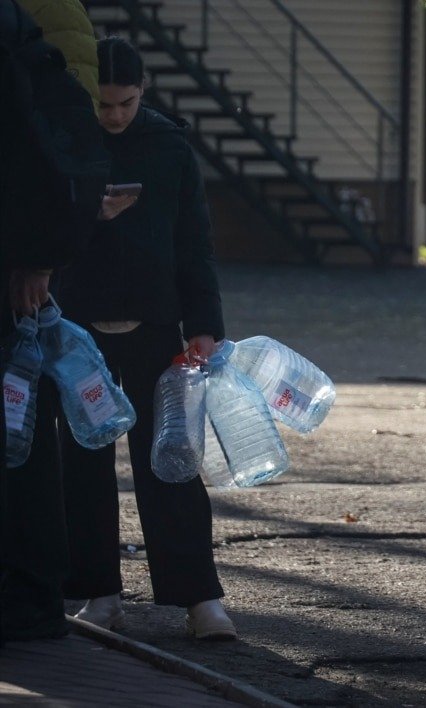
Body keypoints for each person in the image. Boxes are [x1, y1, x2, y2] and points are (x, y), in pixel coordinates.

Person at [56, 36, 236, 640]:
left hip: (156, 326)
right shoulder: (66, 138)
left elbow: (195, 241)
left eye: (125, 103)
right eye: (103, 104)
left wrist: (204, 326)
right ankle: (100, 593)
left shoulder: (168, 146)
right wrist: (85, 214)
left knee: (171, 463)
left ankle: (200, 600)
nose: (114, 115)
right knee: (82, 464)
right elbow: (37, 227)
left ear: (143, 92)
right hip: (79, 331)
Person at [0, 0, 105, 644]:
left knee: (23, 426)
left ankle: (31, 593)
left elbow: (37, 151)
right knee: (23, 422)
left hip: (20, 261)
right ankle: (32, 592)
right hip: (26, 255)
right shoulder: (39, 25)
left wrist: (39, 258)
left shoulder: (26, 31)